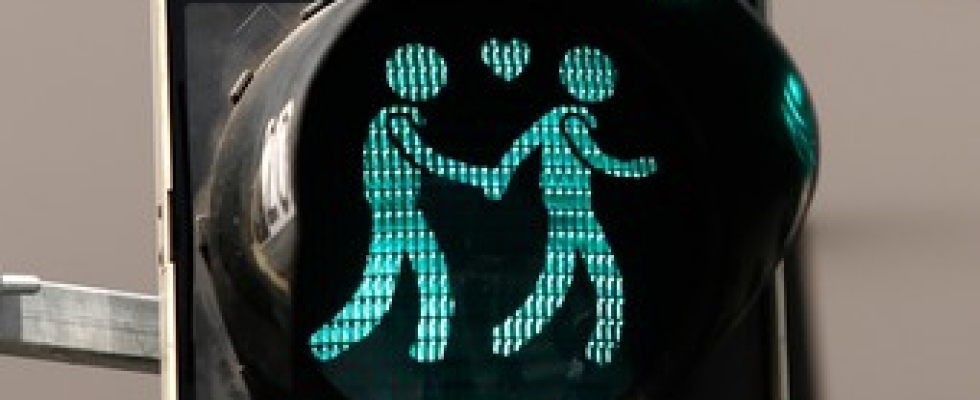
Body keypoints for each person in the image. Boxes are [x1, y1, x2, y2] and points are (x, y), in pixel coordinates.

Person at [309, 43, 497, 363]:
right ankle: (329, 343)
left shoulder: (393, 118)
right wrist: (481, 177)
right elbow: (429, 160)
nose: (436, 83)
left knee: (413, 282)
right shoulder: (395, 119)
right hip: (397, 215)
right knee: (388, 290)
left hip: (399, 212)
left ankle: (426, 346)